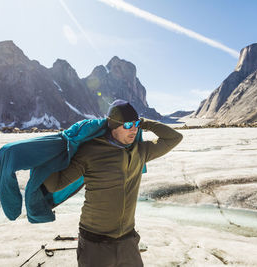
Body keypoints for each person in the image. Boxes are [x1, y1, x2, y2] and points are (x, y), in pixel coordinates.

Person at [43, 99, 183, 267]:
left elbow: (174, 137)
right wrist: (43, 158)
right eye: (127, 125)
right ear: (113, 126)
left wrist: (145, 123)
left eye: (136, 124)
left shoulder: (141, 151)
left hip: (127, 241)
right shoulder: (90, 151)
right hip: (94, 244)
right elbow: (55, 184)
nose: (133, 129)